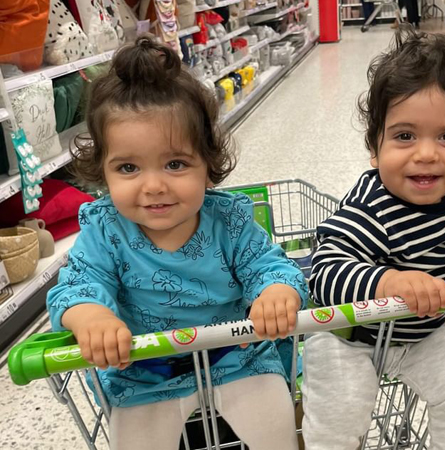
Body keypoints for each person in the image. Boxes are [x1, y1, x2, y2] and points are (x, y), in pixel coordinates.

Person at [46, 35, 308, 450]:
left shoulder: (230, 220)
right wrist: (90, 317)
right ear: (103, 172)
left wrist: (276, 292)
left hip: (238, 358)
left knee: (278, 427)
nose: (154, 186)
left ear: (208, 164)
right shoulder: (105, 230)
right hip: (144, 373)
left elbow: (269, 266)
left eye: (175, 164)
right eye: (128, 167)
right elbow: (79, 283)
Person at [301, 27, 445, 450]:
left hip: (420, 333)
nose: (427, 154)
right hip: (349, 338)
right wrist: (390, 282)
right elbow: (325, 272)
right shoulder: (371, 208)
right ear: (375, 147)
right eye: (405, 136)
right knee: (341, 414)